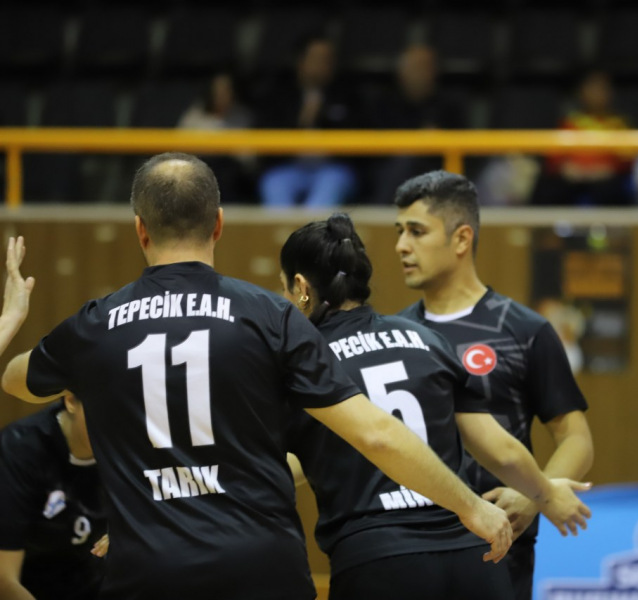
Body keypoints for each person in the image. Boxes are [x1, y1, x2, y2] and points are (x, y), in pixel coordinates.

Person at [1, 153, 511, 600]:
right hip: (262, 570)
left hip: (147, 569)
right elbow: (375, 433)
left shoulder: (95, 326)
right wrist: (470, 506)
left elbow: (16, 381)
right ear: (218, 223)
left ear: (141, 229)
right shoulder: (271, 315)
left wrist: (11, 321)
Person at [279, 213, 591, 600]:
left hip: (380, 560)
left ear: (300, 287)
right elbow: (501, 450)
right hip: (473, 555)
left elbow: (281, 464)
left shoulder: (305, 359)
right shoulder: (426, 339)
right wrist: (546, 494)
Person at [394, 171, 594, 600]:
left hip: (499, 548)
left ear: (461, 239)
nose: (401, 246)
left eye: (416, 231)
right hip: (409, 545)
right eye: (400, 232)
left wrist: (534, 497)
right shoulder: (395, 334)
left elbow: (576, 439)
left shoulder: (525, 330)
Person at [0, 238, 105, 600]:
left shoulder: (137, 439)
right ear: (70, 399)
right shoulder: (20, 449)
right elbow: (5, 581)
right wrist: (9, 321)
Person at [257, 35, 360, 208]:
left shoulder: (347, 95)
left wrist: (324, 117)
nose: (322, 65)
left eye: (327, 60)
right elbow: (266, 138)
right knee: (274, 185)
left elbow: (356, 135)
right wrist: (302, 119)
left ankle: (310, 227)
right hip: (288, 167)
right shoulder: (279, 95)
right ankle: (286, 227)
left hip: (331, 168)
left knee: (329, 188)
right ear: (300, 61)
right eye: (316, 58)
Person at [369, 44, 465, 205]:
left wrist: (436, 139)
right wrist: (414, 144)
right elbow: (374, 147)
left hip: (436, 167)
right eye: (415, 67)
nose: (421, 73)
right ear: (401, 71)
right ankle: (381, 214)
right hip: (391, 169)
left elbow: (465, 147)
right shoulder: (383, 103)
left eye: (426, 67)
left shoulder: (449, 105)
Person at [533, 70, 633, 206]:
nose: (596, 93)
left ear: (610, 93)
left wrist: (610, 169)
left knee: (614, 189)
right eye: (591, 88)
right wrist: (565, 168)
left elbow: (628, 160)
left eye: (601, 88)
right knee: (547, 186)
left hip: (606, 178)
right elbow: (554, 158)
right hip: (574, 177)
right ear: (581, 92)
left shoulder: (619, 124)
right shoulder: (569, 123)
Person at [178, 73, 255, 204]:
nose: (222, 95)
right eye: (217, 91)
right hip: (201, 171)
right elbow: (181, 152)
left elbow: (250, 158)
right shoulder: (195, 116)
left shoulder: (242, 116)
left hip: (233, 174)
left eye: (226, 91)